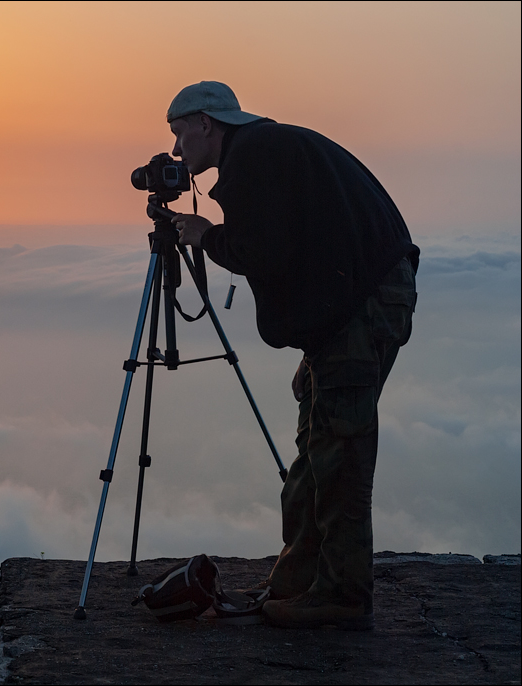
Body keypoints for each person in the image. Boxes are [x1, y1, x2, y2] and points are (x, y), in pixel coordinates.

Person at [167, 81, 419, 630]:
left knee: (339, 452)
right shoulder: (271, 149)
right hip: (357, 307)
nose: (176, 151)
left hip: (364, 306)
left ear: (207, 123)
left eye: (180, 133)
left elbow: (265, 252)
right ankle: (300, 580)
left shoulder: (255, 155)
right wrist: (318, 346)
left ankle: (342, 596)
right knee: (316, 448)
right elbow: (310, 248)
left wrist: (206, 236)